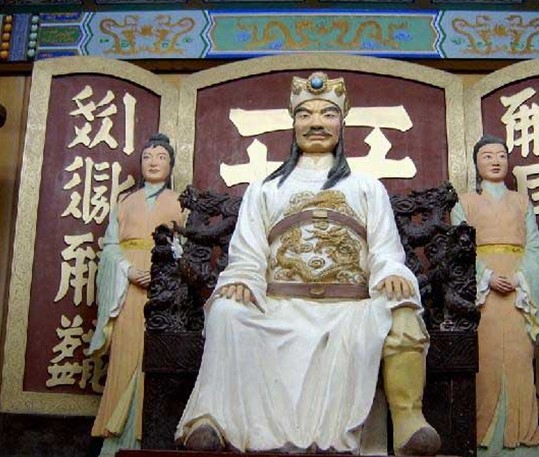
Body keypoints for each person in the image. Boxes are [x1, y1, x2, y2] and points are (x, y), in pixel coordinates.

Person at [175, 72, 441, 456]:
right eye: (306, 115)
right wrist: (243, 279)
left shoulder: (367, 187)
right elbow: (248, 254)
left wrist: (391, 273)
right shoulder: (264, 189)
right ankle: (214, 419)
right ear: (294, 123)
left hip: (348, 307)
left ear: (342, 123)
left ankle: (408, 420)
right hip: (280, 303)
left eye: (327, 114)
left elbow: (385, 251)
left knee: (401, 309)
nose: (316, 123)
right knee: (227, 312)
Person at [450, 134, 539, 457]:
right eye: (487, 156)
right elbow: (459, 249)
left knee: (520, 362)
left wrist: (521, 277)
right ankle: (486, 440)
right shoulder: (463, 203)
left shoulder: (522, 203)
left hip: (520, 291)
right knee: (487, 363)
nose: (495, 161)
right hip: (484, 295)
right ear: (476, 164)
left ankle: (524, 439)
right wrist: (487, 276)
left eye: (501, 156)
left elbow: (534, 248)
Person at [88, 133, 184, 457]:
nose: (153, 162)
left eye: (161, 157)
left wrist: (163, 273)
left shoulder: (179, 202)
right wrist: (127, 270)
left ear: (170, 165)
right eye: (147, 157)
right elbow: (111, 247)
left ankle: (150, 434)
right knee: (126, 355)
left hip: (164, 290)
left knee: (155, 354)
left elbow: (185, 247)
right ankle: (116, 437)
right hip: (127, 288)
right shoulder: (125, 203)